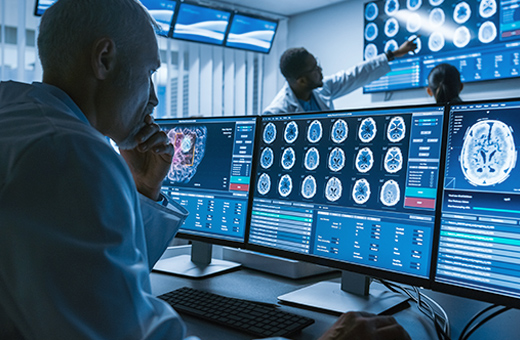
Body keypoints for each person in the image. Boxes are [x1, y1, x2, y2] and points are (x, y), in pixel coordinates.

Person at [0, 1, 411, 339]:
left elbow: (96, 278)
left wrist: (143, 189)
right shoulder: (69, 154)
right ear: (104, 59)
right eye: (150, 74)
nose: (155, 98)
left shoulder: (18, 114)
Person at [263, 40, 417, 115]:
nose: (320, 69)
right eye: (314, 69)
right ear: (302, 80)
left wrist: (394, 54)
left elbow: (355, 75)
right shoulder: (277, 112)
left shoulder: (322, 88)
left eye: (318, 64)